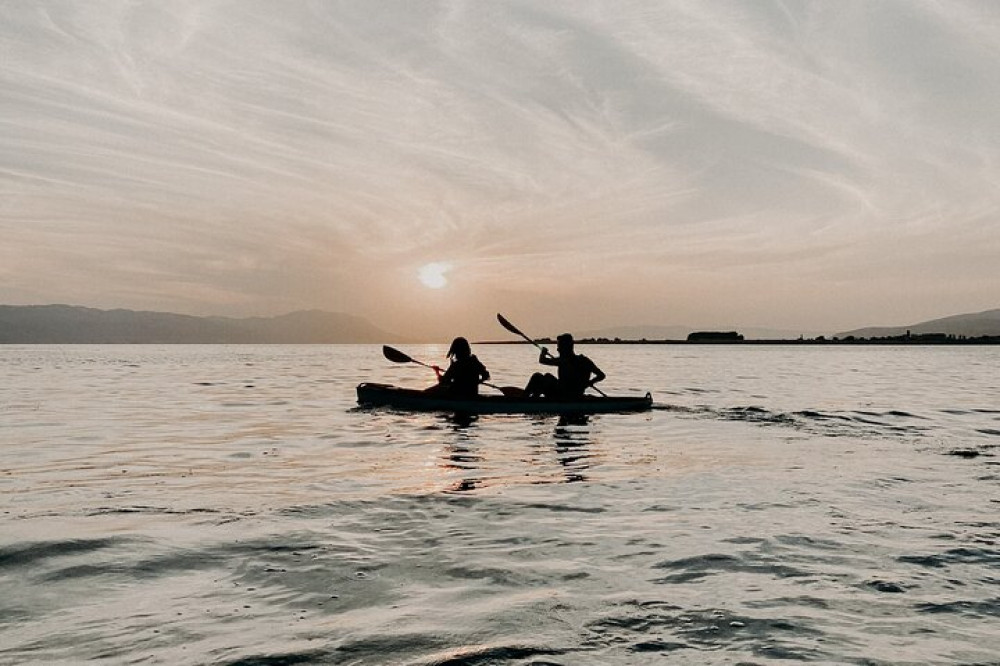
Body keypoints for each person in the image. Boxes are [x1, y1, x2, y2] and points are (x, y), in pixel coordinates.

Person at [524, 333, 605, 399]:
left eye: (559, 347)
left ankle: (525, 399)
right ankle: (533, 399)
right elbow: (601, 375)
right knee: (547, 376)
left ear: (566, 347)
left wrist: (543, 352)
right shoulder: (585, 360)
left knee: (537, 376)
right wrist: (589, 383)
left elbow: (542, 360)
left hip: (563, 395)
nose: (558, 349)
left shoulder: (564, 360)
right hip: (575, 394)